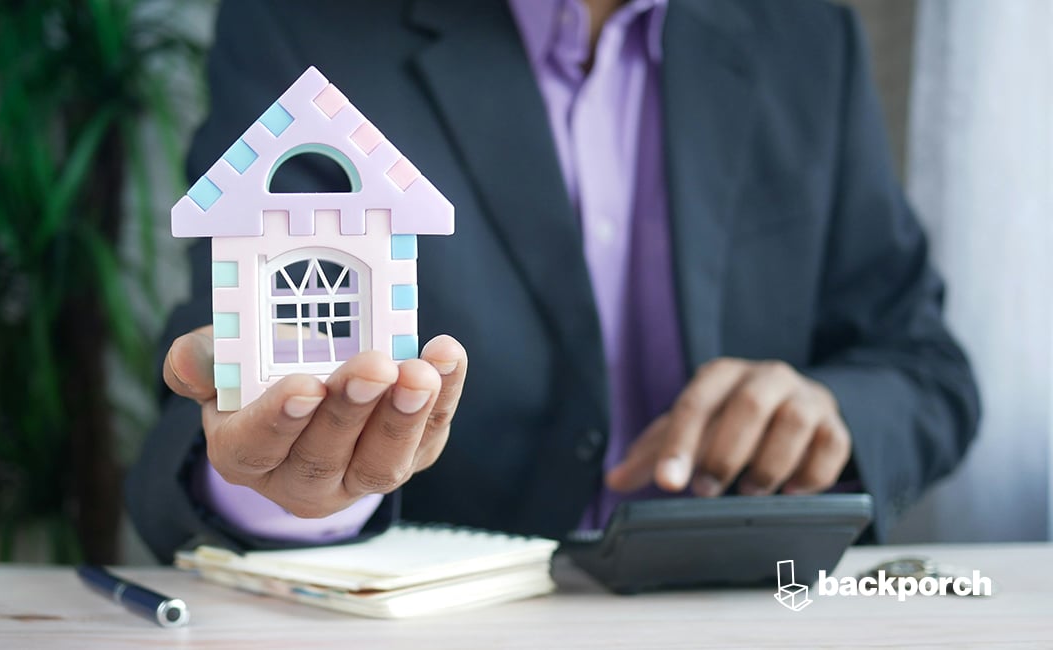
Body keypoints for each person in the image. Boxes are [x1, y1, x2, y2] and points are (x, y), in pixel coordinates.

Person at [126, 0, 980, 563]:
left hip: (742, 611)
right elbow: (226, 370)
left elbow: (923, 366)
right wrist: (290, 492)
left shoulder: (805, 35)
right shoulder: (304, 25)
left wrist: (830, 413)